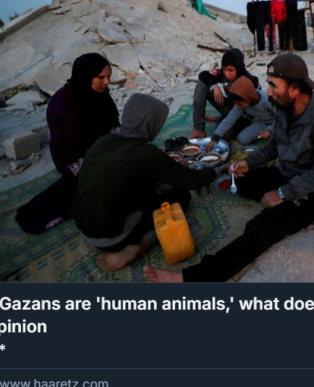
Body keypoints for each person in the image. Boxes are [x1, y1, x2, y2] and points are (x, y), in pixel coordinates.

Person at [144, 54, 314, 282]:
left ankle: (194, 277)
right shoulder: (282, 106)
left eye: (273, 85)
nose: (268, 92)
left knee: (263, 226)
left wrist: (282, 194)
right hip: (288, 173)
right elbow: (274, 145)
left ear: (294, 89)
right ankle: (285, 203)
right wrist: (249, 163)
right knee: (240, 180)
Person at [71, 93, 220, 273]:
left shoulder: (104, 141)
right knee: (179, 195)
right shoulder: (146, 153)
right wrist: (218, 169)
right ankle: (139, 246)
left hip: (84, 227)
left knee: (144, 183)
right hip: (112, 237)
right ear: (150, 124)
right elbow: (193, 180)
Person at [15, 53, 120, 234]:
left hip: (99, 147)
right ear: (86, 76)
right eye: (101, 77)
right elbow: (80, 143)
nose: (107, 82)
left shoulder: (98, 94)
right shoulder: (68, 102)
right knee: (109, 189)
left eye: (108, 77)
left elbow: (113, 124)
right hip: (73, 157)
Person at [188, 48, 259, 140]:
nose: (227, 74)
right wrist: (215, 86)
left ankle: (219, 119)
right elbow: (203, 74)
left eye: (230, 70)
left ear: (239, 68)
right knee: (201, 85)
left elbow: (254, 110)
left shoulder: (249, 81)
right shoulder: (224, 74)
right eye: (225, 69)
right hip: (229, 107)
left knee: (223, 136)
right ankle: (199, 129)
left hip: (242, 115)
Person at [204, 76, 276, 152]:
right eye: (236, 104)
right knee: (242, 139)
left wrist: (269, 130)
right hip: (262, 121)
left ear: (248, 97)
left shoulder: (268, 99)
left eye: (240, 104)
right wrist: (214, 140)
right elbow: (229, 120)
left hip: (278, 121)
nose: (238, 106)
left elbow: (282, 117)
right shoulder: (241, 104)